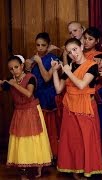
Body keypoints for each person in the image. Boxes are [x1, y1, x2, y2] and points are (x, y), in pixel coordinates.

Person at [52, 38, 102, 179]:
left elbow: (82, 85)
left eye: (75, 49)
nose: (73, 54)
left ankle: (87, 170)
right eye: (69, 52)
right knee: (73, 141)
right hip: (70, 107)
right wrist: (55, 71)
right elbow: (58, 89)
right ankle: (75, 169)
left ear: (81, 47)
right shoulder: (69, 67)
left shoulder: (91, 65)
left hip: (85, 106)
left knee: (87, 140)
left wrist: (68, 72)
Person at [1, 55, 52, 180]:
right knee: (21, 141)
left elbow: (29, 94)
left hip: (31, 110)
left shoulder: (30, 78)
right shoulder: (11, 80)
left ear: (22, 66)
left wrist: (14, 84)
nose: (14, 71)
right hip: (19, 112)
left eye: (16, 67)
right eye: (11, 69)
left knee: (34, 139)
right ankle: (23, 171)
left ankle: (38, 167)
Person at [26, 32, 60, 160]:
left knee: (48, 126)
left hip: (48, 95)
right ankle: (39, 153)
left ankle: (50, 155)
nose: (40, 48)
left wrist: (39, 62)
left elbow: (46, 78)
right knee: (37, 125)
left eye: (43, 45)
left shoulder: (53, 59)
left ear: (48, 45)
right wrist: (29, 67)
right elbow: (30, 77)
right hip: (36, 94)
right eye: (38, 45)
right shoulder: (34, 58)